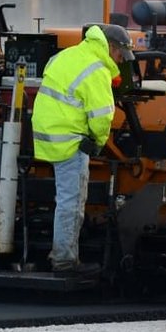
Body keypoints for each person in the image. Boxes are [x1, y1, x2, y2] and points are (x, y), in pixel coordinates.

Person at [31, 24, 134, 275]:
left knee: (63, 198)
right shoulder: (96, 70)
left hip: (46, 135)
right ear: (111, 47)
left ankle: (62, 254)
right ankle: (65, 260)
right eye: (121, 55)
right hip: (69, 139)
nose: (121, 62)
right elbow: (101, 117)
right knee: (72, 200)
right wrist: (98, 144)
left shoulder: (67, 55)